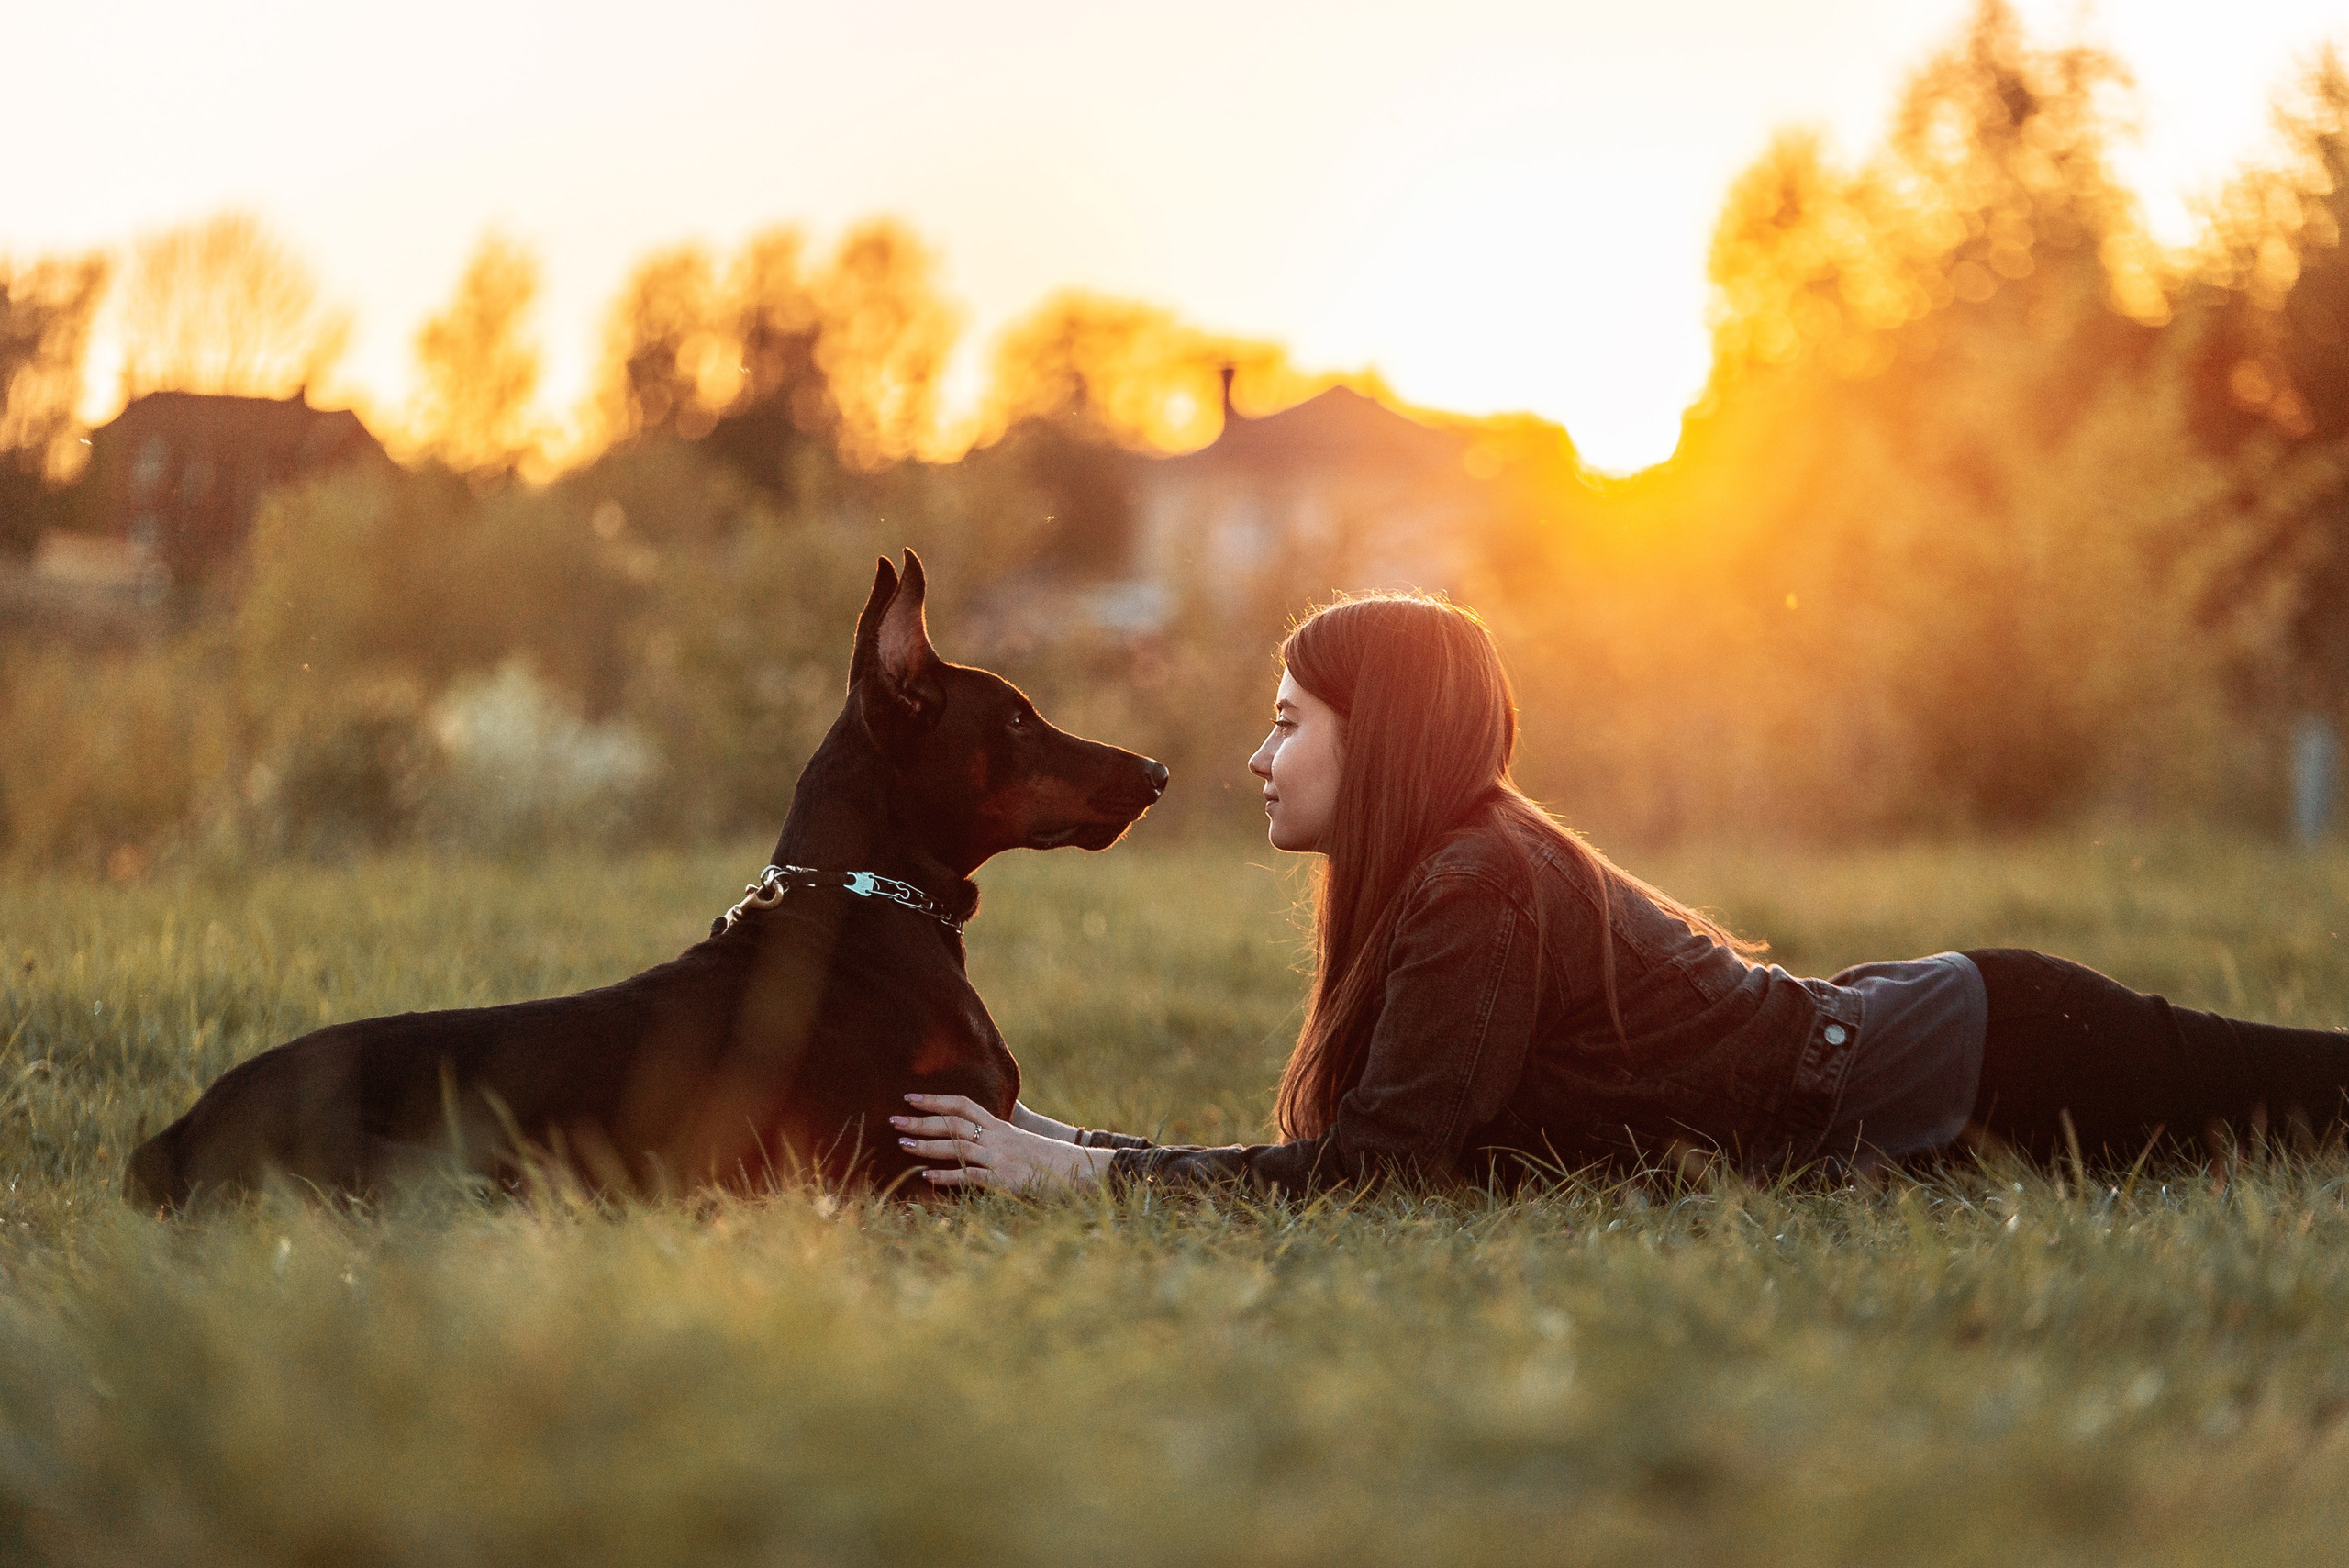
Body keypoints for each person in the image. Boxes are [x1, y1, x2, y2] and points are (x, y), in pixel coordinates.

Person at [890, 594, 2349, 1195]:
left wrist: (1082, 1170)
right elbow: (1384, 1158)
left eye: (1288, 721)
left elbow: (1377, 1185)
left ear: (1375, 734)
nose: (1254, 756)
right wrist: (1060, 1138)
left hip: (1995, 1054)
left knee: (2307, 1104)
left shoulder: (1476, 879)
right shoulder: (1449, 876)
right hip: (1946, 1040)